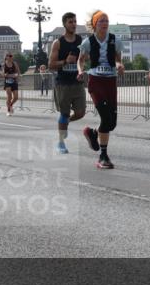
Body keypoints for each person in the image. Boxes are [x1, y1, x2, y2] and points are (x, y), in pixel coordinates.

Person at [77, 11, 125, 169]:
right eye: (102, 21)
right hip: (96, 81)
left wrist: (119, 65)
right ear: (95, 24)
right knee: (106, 119)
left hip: (110, 81)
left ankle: (92, 132)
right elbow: (81, 60)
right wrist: (80, 71)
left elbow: (118, 59)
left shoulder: (115, 40)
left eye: (107, 20)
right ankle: (103, 157)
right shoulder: (88, 42)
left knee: (112, 123)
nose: (105, 23)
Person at [49, 12, 86, 153]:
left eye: (75, 21)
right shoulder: (58, 42)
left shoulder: (80, 40)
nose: (74, 24)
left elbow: (82, 59)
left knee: (81, 112)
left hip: (77, 82)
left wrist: (82, 65)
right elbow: (51, 65)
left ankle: (65, 123)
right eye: (70, 22)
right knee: (64, 114)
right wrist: (65, 61)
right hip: (63, 84)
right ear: (65, 24)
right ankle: (61, 142)